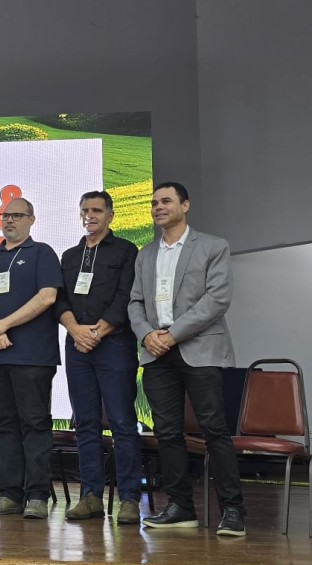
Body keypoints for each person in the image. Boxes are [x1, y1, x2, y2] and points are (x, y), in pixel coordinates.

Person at [128, 181, 246, 537]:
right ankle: (180, 508)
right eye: (154, 203)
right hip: (156, 353)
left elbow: (217, 299)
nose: (158, 207)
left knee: (214, 430)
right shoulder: (146, 254)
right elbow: (135, 302)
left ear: (185, 205)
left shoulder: (212, 246)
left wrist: (172, 334)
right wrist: (147, 335)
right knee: (166, 433)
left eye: (166, 201)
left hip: (199, 349)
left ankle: (233, 510)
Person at [0, 197, 62, 520]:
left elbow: (47, 297)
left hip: (33, 356)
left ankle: (37, 496)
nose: (9, 220)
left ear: (31, 220)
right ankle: (10, 494)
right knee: (4, 425)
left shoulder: (42, 253)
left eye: (17, 215)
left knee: (35, 424)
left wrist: (2, 325)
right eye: (5, 215)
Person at [55, 191, 142, 524]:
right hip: (77, 346)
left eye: (96, 210)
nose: (89, 215)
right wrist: (75, 331)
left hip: (114, 345)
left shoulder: (126, 251)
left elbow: (126, 296)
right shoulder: (70, 255)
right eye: (85, 210)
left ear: (110, 215)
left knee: (122, 423)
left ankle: (129, 499)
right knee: (86, 424)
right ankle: (90, 496)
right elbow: (60, 299)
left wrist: (96, 333)